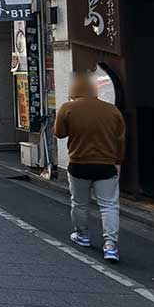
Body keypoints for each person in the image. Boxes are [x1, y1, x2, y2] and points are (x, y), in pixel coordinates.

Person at [54, 72, 126, 262]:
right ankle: (110, 246)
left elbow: (59, 133)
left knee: (79, 202)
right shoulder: (112, 110)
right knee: (109, 205)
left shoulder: (67, 108)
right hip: (106, 165)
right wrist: (118, 162)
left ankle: (83, 235)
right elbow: (120, 140)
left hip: (79, 164)